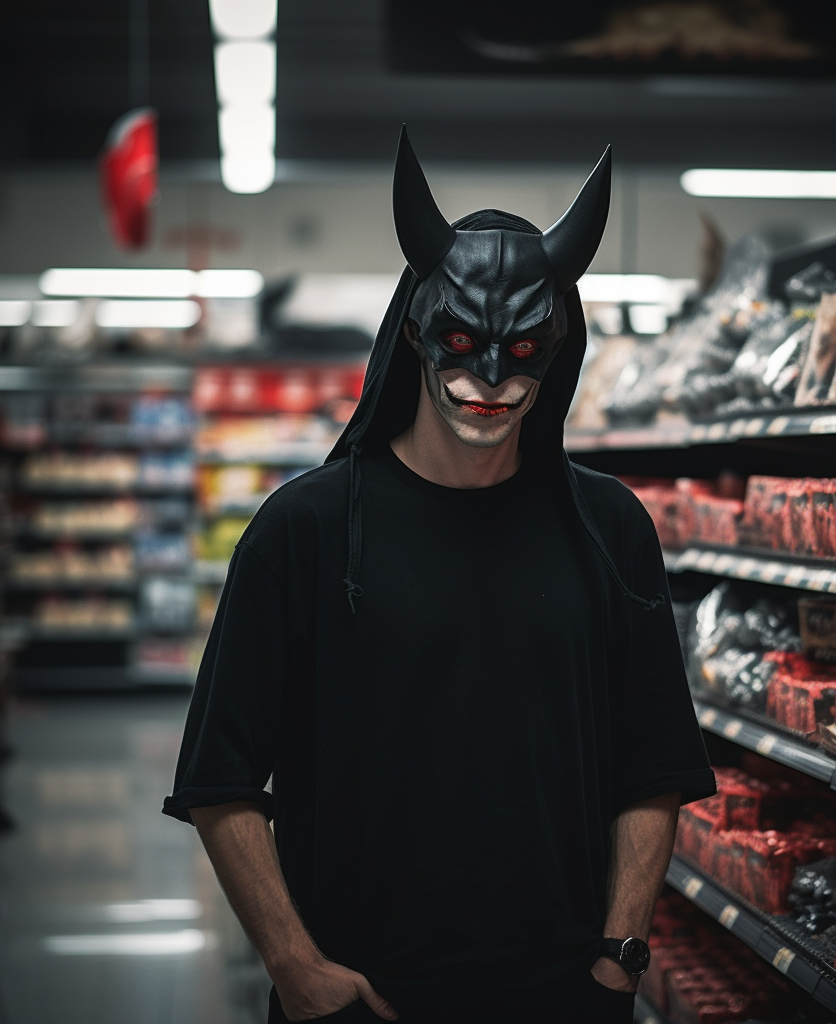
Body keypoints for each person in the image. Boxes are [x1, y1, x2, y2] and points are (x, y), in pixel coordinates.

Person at [162, 127, 715, 1024]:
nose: (489, 379)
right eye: (461, 340)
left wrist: (619, 957)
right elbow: (220, 779)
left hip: (562, 1000)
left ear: (558, 347)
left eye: (522, 350)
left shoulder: (611, 528)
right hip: (360, 1002)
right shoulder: (301, 531)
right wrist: (297, 968)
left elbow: (653, 765)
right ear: (416, 331)